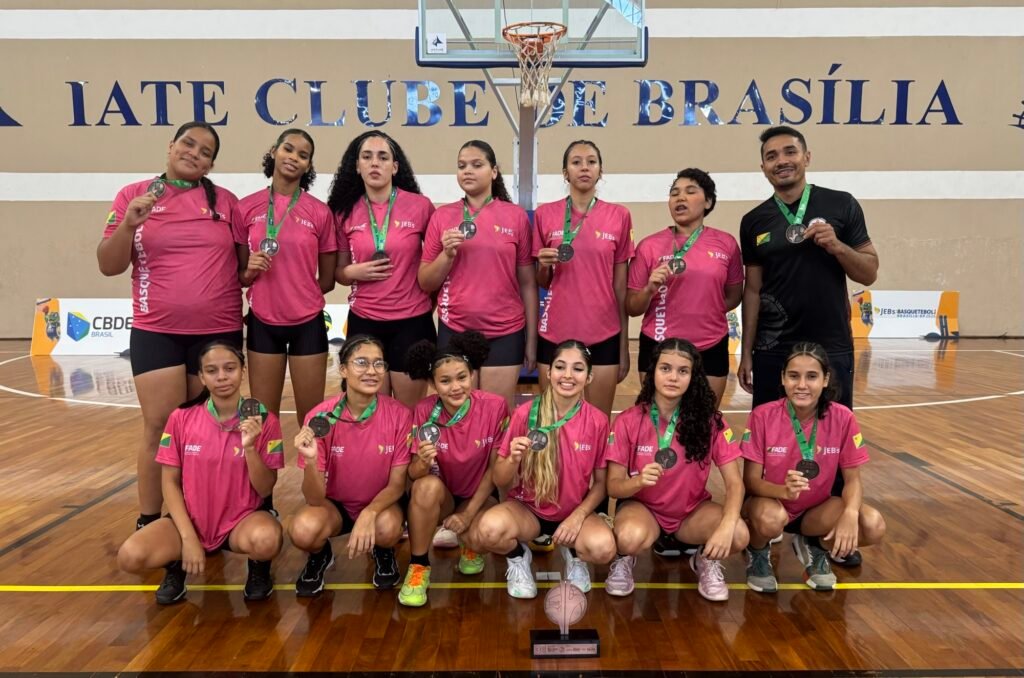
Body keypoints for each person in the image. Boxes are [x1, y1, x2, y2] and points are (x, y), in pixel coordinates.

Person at [737, 125, 880, 566]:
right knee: (767, 440)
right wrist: (745, 351)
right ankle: (764, 530)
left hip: (830, 345)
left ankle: (825, 534)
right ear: (762, 166)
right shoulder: (755, 221)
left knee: (830, 437)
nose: (782, 160)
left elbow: (869, 271)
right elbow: (753, 291)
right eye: (772, 155)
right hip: (774, 348)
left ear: (807, 157)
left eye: (789, 152)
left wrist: (837, 246)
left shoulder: (840, 205)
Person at [97, 121, 243, 531]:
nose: (194, 153)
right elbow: (109, 265)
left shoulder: (226, 203)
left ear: (211, 165)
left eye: (205, 151)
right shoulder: (133, 196)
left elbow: (245, 269)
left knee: (209, 430)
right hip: (156, 330)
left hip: (217, 333)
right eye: (188, 144)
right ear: (170, 146)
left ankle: (202, 516)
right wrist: (128, 223)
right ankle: (149, 520)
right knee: (160, 426)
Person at [116, 341, 284, 604]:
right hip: (191, 520)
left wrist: (250, 448)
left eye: (230, 368)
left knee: (267, 540)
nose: (222, 377)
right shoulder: (181, 418)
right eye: (212, 371)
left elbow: (265, 488)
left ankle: (259, 568)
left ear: (243, 370)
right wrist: (188, 539)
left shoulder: (265, 420)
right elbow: (169, 482)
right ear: (202, 377)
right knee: (130, 556)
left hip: (240, 521)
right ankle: (175, 565)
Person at [604, 338, 748, 601]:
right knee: (628, 537)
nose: (673, 377)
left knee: (738, 534)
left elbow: (735, 484)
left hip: (690, 513)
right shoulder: (628, 420)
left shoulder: (710, 421)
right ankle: (625, 559)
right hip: (644, 510)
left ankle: (704, 560)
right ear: (653, 373)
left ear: (693, 377)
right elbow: (613, 486)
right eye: (665, 368)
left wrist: (726, 525)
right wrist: (638, 482)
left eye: (683, 371)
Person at [472, 340, 616, 599]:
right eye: (560, 367)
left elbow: (601, 484)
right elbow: (500, 478)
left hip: (572, 511)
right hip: (528, 510)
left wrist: (579, 516)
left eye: (578, 369)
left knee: (603, 549)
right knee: (488, 531)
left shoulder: (598, 421)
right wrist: (513, 459)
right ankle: (518, 557)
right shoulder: (524, 414)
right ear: (548, 373)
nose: (568, 376)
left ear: (590, 376)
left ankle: (573, 554)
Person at [741, 342, 886, 592]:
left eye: (812, 377)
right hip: (772, 504)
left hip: (816, 511)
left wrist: (850, 514)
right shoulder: (762, 416)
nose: (802, 385)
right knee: (771, 519)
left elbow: (852, 480)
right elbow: (751, 481)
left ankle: (815, 546)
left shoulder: (843, 417)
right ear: (783, 378)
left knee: (872, 525)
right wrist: (783, 491)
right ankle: (758, 553)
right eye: (794, 376)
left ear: (825, 379)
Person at [288, 335, 411, 596]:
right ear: (343, 369)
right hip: (335, 506)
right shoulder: (319, 417)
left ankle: (383, 550)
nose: (371, 371)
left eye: (379, 364)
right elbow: (313, 497)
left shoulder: (400, 414)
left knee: (388, 529)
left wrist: (370, 512)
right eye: (362, 363)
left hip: (381, 503)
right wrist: (310, 461)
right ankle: (320, 556)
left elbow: (398, 483)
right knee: (303, 530)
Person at [418, 140, 537, 409]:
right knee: (459, 416)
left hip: (506, 331)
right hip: (455, 329)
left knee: (497, 415)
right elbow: (426, 282)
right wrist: (446, 255)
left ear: (494, 171)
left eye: (476, 165)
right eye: (461, 166)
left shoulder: (515, 217)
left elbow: (528, 284)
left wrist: (531, 341)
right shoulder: (442, 216)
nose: (467, 171)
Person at [398, 331, 511, 607]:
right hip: (444, 497)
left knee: (484, 534)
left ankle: (470, 545)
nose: (456, 387)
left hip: (480, 496)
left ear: (472, 373)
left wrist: (469, 514)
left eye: (462, 377)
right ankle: (419, 566)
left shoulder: (495, 406)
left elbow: (495, 470)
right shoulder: (424, 410)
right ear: (433, 384)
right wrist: (422, 463)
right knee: (424, 487)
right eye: (445, 381)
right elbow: (412, 476)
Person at [235, 129, 337, 425]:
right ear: (274, 151)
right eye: (288, 149)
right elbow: (241, 276)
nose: (294, 157)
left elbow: (328, 280)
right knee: (263, 420)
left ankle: (313, 473)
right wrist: (252, 270)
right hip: (263, 323)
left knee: (312, 419)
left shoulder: (319, 212)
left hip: (308, 324)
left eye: (303, 155)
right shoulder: (246, 207)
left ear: (308, 166)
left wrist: (297, 295)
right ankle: (263, 474)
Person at [329, 131, 436, 409]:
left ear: (395, 166)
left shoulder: (420, 206)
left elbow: (436, 265)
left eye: (383, 157)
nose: (375, 163)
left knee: (410, 412)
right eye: (367, 157)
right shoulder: (343, 212)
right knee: (370, 409)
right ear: (357, 165)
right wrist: (355, 272)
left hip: (412, 322)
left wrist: (428, 302)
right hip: (365, 321)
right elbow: (339, 272)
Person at [533, 140, 634, 417]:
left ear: (600, 170)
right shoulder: (545, 214)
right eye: (576, 162)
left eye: (591, 161)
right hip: (555, 330)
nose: (584, 167)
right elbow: (542, 281)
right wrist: (543, 266)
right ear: (565, 172)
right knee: (552, 422)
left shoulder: (620, 216)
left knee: (597, 423)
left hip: (603, 332)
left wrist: (623, 347)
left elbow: (620, 288)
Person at [627, 170, 742, 407]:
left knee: (704, 422)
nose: (680, 198)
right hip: (658, 344)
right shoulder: (649, 246)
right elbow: (632, 306)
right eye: (674, 193)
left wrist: (703, 309)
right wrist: (649, 288)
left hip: (711, 345)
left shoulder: (726, 244)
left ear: (708, 201)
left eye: (690, 192)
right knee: (658, 424)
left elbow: (733, 296)